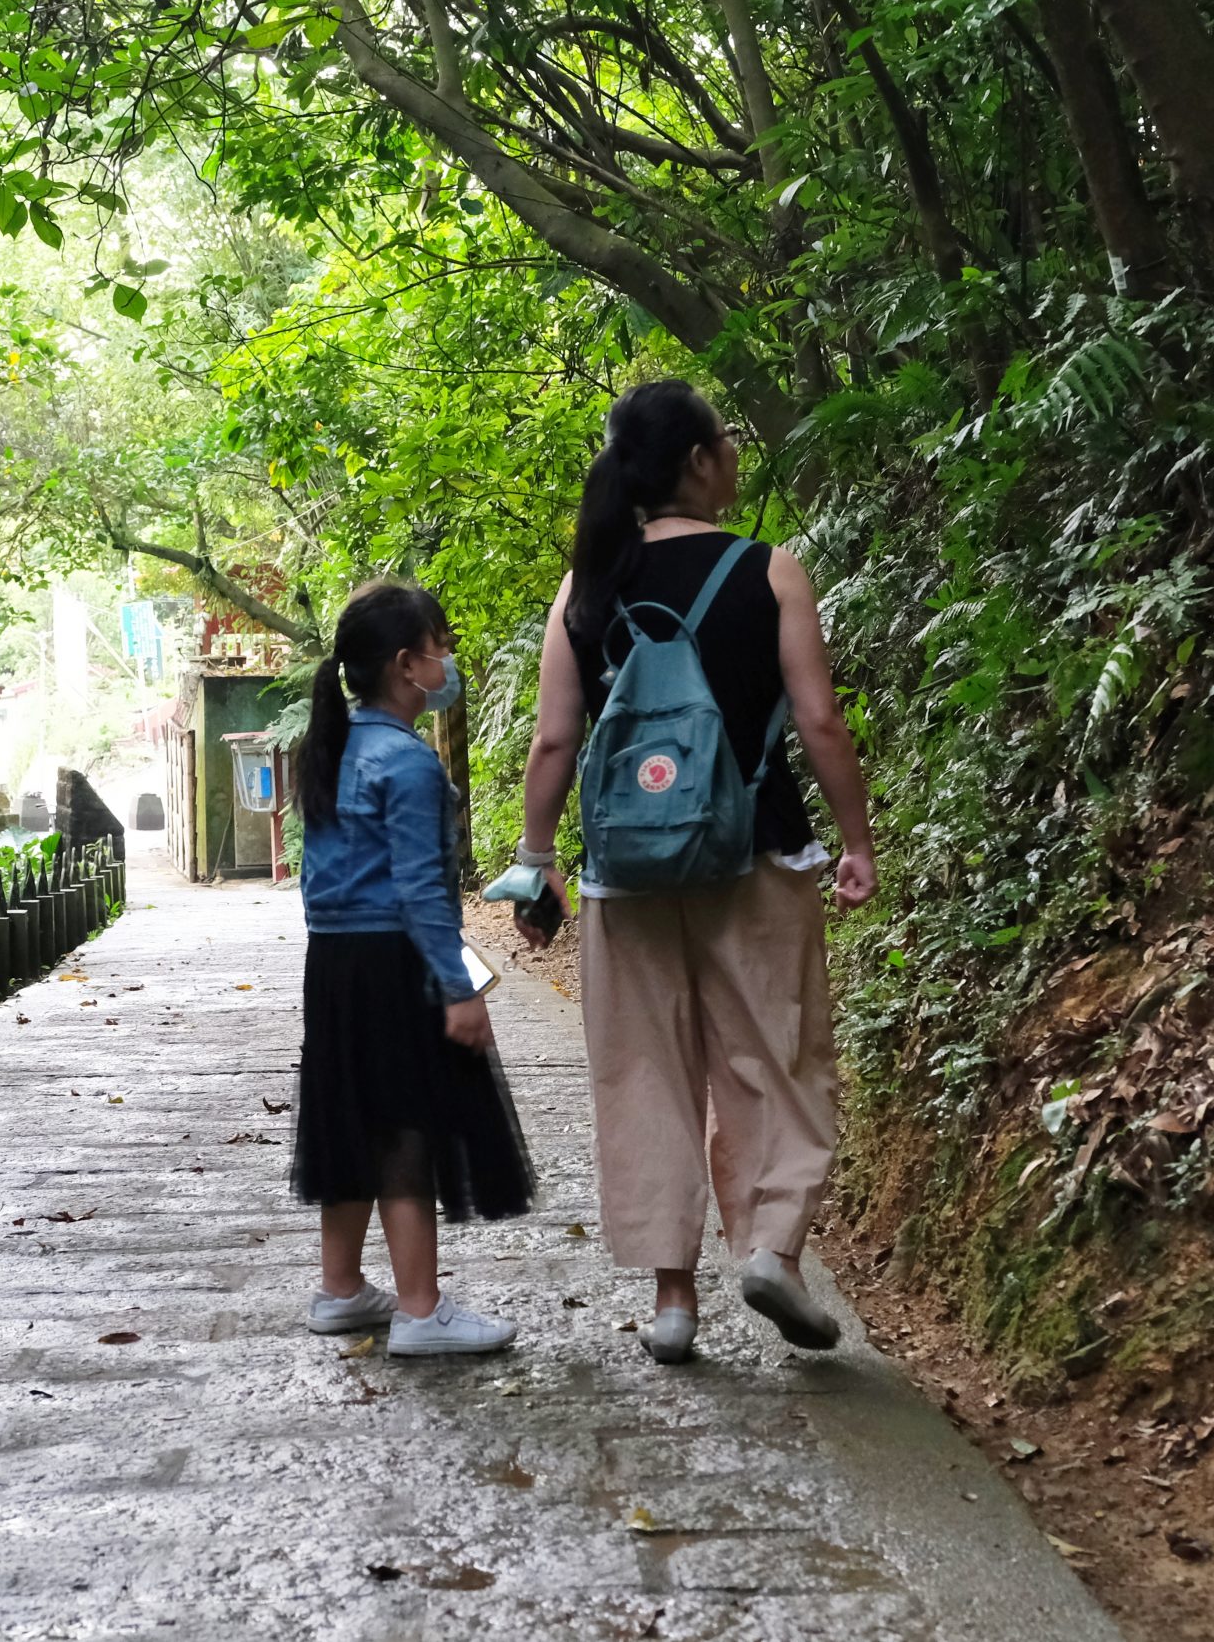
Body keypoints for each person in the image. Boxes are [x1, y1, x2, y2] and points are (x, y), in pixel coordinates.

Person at [511, 378, 877, 1365]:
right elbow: (818, 722)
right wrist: (855, 841)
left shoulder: (586, 585)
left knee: (644, 1072)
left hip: (624, 871)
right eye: (725, 438)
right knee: (775, 1057)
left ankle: (674, 1299)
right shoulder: (769, 571)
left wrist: (534, 863)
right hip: (753, 850)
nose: (733, 453)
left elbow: (554, 744)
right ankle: (771, 1252)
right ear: (697, 462)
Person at [291, 581, 534, 1356]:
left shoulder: (330, 750)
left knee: (347, 1117)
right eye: (440, 646)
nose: (449, 661)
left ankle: (339, 1289)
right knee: (404, 1129)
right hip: (393, 962)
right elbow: (425, 893)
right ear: (406, 664)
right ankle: (421, 1309)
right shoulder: (410, 765)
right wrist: (458, 988)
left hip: (331, 961)